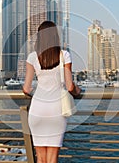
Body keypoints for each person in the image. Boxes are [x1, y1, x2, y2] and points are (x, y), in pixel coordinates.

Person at [23, 21, 81, 163]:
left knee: (41, 158)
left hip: (37, 109)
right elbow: (69, 86)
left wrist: (38, 93)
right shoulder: (64, 55)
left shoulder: (32, 57)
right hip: (56, 110)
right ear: (55, 36)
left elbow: (26, 88)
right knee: (52, 158)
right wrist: (78, 91)